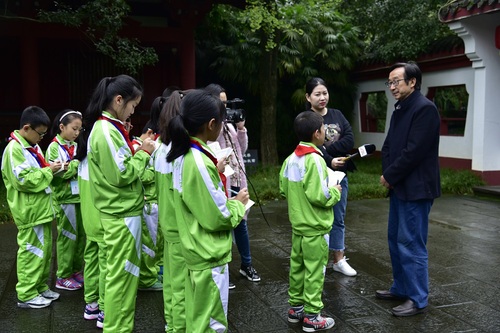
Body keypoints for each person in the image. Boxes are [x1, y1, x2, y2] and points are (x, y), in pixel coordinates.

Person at [167, 89, 249, 333]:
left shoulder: (184, 154)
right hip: (208, 253)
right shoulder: (199, 161)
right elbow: (218, 216)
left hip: (195, 250)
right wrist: (238, 204)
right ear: (212, 124)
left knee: (199, 318)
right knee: (212, 323)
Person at [86, 74, 156, 332]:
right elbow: (122, 174)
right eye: (133, 105)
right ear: (118, 100)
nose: (132, 111)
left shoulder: (106, 128)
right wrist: (145, 153)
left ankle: (117, 326)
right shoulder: (106, 131)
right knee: (123, 280)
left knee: (122, 277)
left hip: (119, 212)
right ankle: (117, 328)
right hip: (120, 214)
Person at [377, 61, 441, 317]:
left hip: (417, 188)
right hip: (399, 185)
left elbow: (414, 151)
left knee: (411, 243)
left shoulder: (425, 109)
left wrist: (390, 174)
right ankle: (401, 287)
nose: (392, 86)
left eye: (396, 81)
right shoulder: (400, 108)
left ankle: (417, 298)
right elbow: (390, 144)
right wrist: (388, 172)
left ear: (412, 82)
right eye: (389, 82)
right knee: (395, 239)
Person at [280, 111, 342, 332]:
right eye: (324, 128)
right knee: (315, 272)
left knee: (297, 269)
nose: (326, 131)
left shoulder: (291, 159)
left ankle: (295, 309)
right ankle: (313, 316)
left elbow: (283, 188)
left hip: (298, 227)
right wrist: (335, 191)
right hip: (315, 228)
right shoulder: (315, 159)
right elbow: (320, 196)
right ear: (317, 133)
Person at [1, 106, 63, 308]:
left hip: (40, 210)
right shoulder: (14, 149)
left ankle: (40, 287)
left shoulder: (31, 146)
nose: (42, 138)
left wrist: (51, 169)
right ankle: (27, 294)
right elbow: (24, 180)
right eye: (41, 133)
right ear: (27, 128)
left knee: (44, 252)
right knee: (31, 251)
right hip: (29, 212)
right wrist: (49, 172)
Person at [205, 83, 261, 288]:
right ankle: (224, 268)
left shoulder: (228, 125)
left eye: (226, 103)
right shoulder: (212, 127)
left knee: (242, 225)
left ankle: (246, 264)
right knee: (225, 225)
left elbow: (242, 148)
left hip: (238, 179)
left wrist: (240, 128)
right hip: (222, 181)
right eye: (221, 103)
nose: (226, 107)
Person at [305, 77, 357, 277]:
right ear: (308, 97)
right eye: (317, 94)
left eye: (324, 93)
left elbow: (350, 138)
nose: (322, 97)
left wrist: (327, 152)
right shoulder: (306, 118)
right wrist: (328, 159)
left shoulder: (337, 114)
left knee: (339, 217)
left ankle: (339, 259)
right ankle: (317, 261)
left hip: (339, 174)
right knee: (317, 217)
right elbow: (307, 145)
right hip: (317, 174)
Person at [154, 89, 190, 332]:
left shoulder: (159, 148)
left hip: (168, 225)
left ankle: (171, 323)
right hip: (181, 228)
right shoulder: (179, 154)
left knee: (171, 281)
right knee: (182, 285)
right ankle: (178, 327)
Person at [45, 109, 85, 291]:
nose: (77, 133)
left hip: (79, 197)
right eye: (74, 128)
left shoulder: (76, 146)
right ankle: (63, 275)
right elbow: (58, 173)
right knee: (67, 237)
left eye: (79, 129)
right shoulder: (54, 147)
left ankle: (76, 270)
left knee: (81, 237)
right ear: (62, 127)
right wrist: (76, 164)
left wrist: (73, 166)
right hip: (64, 199)